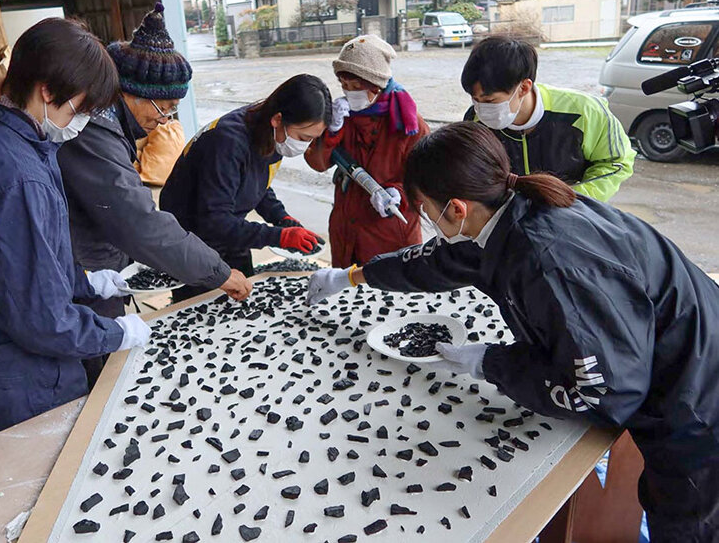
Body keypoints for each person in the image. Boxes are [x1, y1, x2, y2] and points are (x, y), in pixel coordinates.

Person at [306, 121, 719, 542]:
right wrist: (353, 276)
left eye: (426, 211)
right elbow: (435, 262)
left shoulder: (548, 259)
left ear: (456, 209)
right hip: (676, 362)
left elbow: (603, 392)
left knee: (686, 519)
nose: (426, 220)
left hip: (699, 403)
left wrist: (493, 363)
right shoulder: (509, 210)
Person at [0, 18, 152, 439]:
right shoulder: (21, 176)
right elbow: (42, 320)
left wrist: (87, 283)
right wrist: (113, 332)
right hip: (18, 371)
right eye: (82, 108)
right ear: (48, 91)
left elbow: (22, 256)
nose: (82, 122)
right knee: (51, 483)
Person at [58, 3, 251, 326]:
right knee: (100, 359)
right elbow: (139, 221)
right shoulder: (93, 134)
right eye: (164, 108)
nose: (164, 122)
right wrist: (218, 272)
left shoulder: (109, 123)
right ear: (132, 93)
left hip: (99, 264)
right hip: (83, 274)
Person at [160, 74, 329, 286]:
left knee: (245, 293)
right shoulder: (227, 142)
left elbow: (255, 182)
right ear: (278, 119)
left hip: (230, 231)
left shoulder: (269, 131)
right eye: (304, 138)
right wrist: (279, 237)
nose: (305, 145)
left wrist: (280, 217)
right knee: (205, 306)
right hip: (194, 239)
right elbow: (215, 220)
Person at [305, 34, 430, 268]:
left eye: (357, 87)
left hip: (390, 235)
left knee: (393, 299)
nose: (350, 93)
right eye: (344, 86)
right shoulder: (342, 117)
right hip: (346, 233)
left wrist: (398, 194)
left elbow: (429, 181)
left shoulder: (409, 123)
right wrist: (331, 130)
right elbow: (317, 163)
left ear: (377, 85)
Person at [461, 35, 635, 202]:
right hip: (510, 221)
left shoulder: (584, 111)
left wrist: (571, 199)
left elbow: (616, 163)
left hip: (574, 216)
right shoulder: (475, 121)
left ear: (523, 88)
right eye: (475, 99)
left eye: (490, 100)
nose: (481, 109)